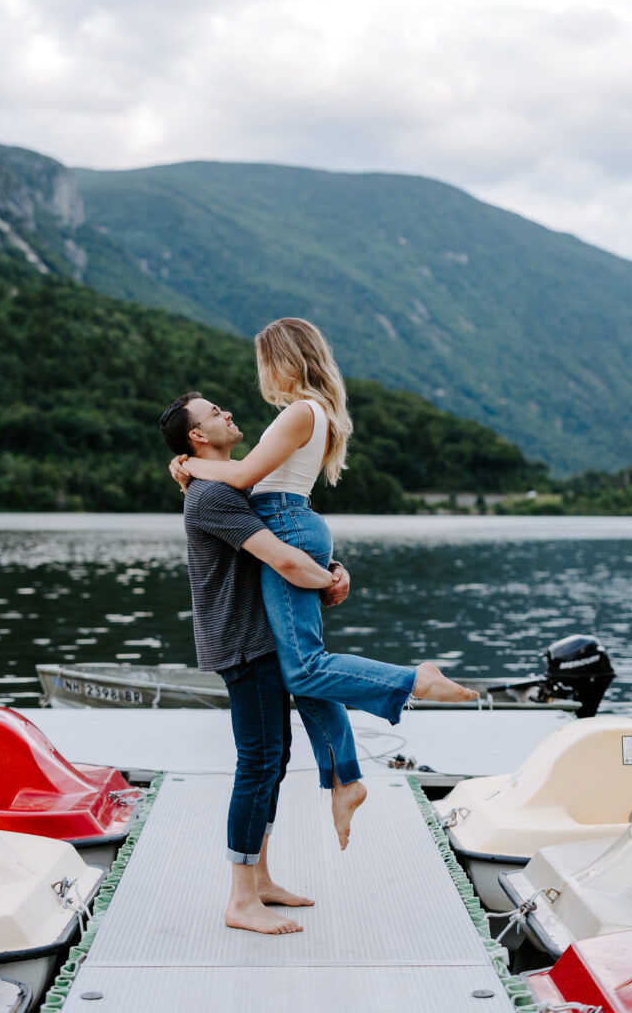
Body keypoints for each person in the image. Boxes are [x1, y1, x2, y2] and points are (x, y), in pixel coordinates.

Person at [169, 317, 479, 721]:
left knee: (305, 668)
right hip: (292, 521)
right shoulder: (318, 412)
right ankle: (343, 776)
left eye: (266, 361)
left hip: (286, 521)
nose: (263, 373)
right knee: (307, 668)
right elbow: (248, 482)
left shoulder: (300, 411)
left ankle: (412, 681)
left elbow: (245, 476)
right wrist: (187, 467)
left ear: (285, 360)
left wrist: (190, 465)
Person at [159, 393, 367, 936]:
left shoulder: (235, 486)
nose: (228, 413)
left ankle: (262, 879)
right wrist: (331, 580)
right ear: (198, 438)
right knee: (257, 762)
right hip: (244, 642)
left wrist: (331, 567)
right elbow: (283, 559)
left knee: (275, 758)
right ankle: (240, 898)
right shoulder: (211, 496)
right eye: (214, 415)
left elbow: (286, 544)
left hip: (265, 638)